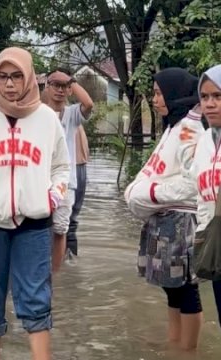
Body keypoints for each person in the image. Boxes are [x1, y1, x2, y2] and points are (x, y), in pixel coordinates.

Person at [0, 47, 69, 360]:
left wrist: (53, 196)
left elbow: (62, 166)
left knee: (36, 295)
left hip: (33, 223)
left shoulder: (47, 119)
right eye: (3, 77)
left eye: (16, 76)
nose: (8, 84)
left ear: (29, 77)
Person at [125, 68, 204, 350]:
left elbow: (193, 184)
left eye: (158, 93)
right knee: (170, 287)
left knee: (185, 288)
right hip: (165, 217)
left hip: (181, 220)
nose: (155, 99)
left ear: (174, 94)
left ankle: (188, 350)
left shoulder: (190, 131)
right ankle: (175, 342)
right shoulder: (174, 126)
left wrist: (151, 193)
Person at [42, 69, 93, 270]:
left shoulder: (72, 114)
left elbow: (88, 104)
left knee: (61, 228)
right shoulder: (38, 111)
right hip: (41, 180)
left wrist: (70, 80)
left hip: (66, 181)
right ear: (47, 87)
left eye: (64, 87)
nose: (60, 90)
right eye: (56, 85)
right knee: (40, 228)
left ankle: (54, 275)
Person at [190, 64, 221, 329]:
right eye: (205, 97)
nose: (210, 104)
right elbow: (201, 197)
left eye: (218, 96)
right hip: (217, 249)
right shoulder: (205, 142)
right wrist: (202, 235)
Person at [68, 124, 89, 257]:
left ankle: (67, 261)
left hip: (75, 164)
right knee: (70, 221)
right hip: (78, 164)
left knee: (68, 221)